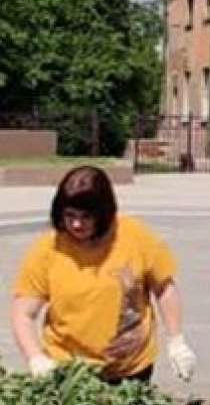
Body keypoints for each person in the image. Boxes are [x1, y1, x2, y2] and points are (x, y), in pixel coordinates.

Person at [10, 165, 196, 384]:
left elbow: (164, 288)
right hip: (71, 370)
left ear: (104, 213)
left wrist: (176, 341)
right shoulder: (47, 249)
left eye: (86, 216)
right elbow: (23, 312)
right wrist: (36, 358)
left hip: (131, 368)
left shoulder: (135, 236)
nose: (77, 224)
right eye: (69, 215)